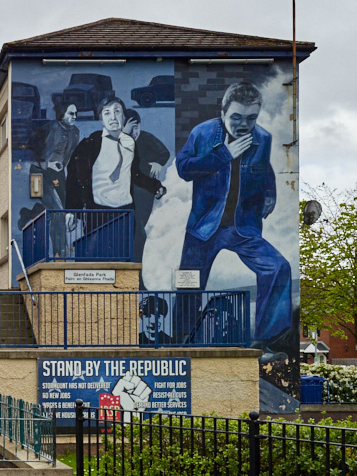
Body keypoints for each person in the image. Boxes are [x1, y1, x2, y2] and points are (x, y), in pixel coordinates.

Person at [173, 81, 291, 361]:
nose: (243, 124)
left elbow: (266, 169)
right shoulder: (202, 133)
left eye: (251, 118)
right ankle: (180, 342)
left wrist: (271, 193)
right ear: (223, 112)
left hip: (242, 227)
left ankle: (264, 342)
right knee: (189, 284)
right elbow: (183, 168)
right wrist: (224, 154)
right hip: (203, 227)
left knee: (278, 267)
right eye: (236, 117)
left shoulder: (263, 138)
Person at [66, 96, 165, 259]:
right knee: (97, 259)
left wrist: (155, 186)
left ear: (123, 117)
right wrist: (71, 210)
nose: (113, 117)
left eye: (117, 111)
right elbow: (74, 178)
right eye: (107, 113)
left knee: (123, 259)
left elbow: (134, 174)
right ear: (101, 119)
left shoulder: (130, 143)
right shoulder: (90, 143)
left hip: (124, 211)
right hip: (98, 211)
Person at [122, 109, 170, 264]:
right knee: (135, 229)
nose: (135, 132)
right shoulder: (120, 143)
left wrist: (158, 163)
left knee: (140, 225)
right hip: (129, 192)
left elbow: (164, 153)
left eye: (137, 127)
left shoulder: (146, 138)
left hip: (146, 190)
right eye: (130, 128)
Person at [36, 101, 80, 256]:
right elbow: (31, 147)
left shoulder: (75, 132)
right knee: (58, 211)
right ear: (62, 114)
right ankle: (59, 253)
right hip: (41, 173)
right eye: (71, 113)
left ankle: (60, 252)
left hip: (59, 173)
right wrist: (47, 163)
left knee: (64, 209)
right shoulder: (50, 128)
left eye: (76, 113)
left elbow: (70, 155)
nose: (75, 116)